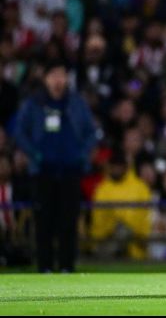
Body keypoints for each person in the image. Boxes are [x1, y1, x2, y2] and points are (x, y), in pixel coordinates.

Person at [14, 59, 97, 272]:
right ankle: (45, 267)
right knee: (44, 222)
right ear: (46, 79)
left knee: (68, 222)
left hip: (70, 171)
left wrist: (81, 155)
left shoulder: (76, 103)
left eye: (62, 75)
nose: (58, 80)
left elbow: (91, 133)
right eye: (54, 76)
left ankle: (67, 267)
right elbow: (19, 132)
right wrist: (35, 154)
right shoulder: (34, 103)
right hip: (43, 172)